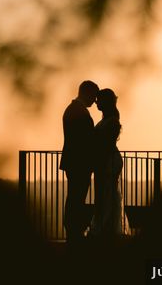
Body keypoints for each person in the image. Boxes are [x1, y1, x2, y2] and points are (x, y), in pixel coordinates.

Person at [59, 80, 98, 245]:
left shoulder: (74, 109)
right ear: (87, 93)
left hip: (75, 162)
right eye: (94, 96)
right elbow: (85, 139)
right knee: (76, 198)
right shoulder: (78, 111)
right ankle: (74, 233)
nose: (95, 101)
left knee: (75, 197)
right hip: (79, 163)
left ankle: (73, 231)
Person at [89, 88, 124, 240]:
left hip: (109, 160)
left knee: (107, 194)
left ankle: (105, 227)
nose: (96, 103)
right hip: (105, 159)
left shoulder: (112, 121)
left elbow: (106, 144)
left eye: (99, 100)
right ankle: (104, 226)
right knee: (105, 194)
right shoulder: (107, 120)